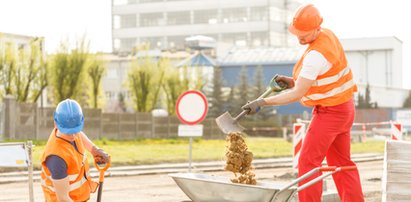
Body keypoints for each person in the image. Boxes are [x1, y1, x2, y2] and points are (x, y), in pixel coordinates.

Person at [242, 4, 364, 202]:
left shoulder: (315, 56)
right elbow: (320, 78)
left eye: (304, 34)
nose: (300, 38)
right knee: (342, 163)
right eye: (297, 33)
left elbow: (297, 94)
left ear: (317, 28)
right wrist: (292, 81)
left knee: (308, 162)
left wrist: (262, 102)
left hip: (330, 113)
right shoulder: (327, 35)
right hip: (345, 107)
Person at [41, 99, 109, 202]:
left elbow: (79, 134)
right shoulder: (56, 158)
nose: (73, 135)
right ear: (55, 124)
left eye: (75, 130)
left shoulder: (66, 127)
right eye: (69, 132)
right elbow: (63, 198)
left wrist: (94, 149)